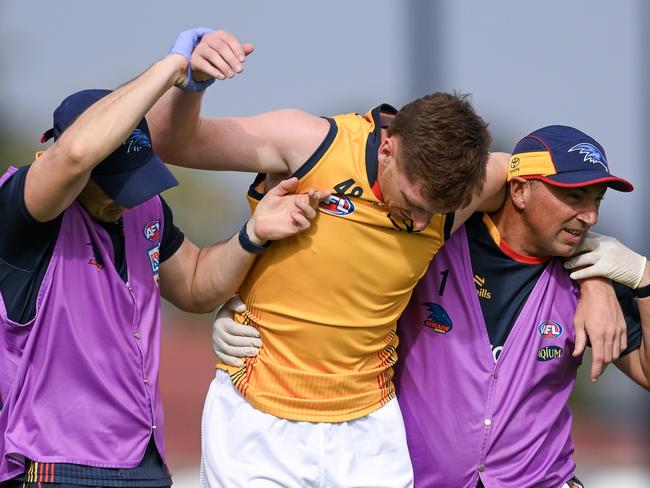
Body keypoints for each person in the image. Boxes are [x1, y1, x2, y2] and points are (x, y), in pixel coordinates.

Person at [149, 29, 627, 487]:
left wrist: (598, 280)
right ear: (390, 149)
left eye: (436, 212)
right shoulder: (311, 143)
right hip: (259, 415)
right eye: (415, 203)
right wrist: (193, 83)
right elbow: (174, 142)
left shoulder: (475, 184)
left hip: (369, 430)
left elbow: (554, 212)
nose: (422, 225)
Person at [0, 45, 328, 487]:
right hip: (55, 464)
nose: (125, 198)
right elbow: (76, 153)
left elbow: (194, 284)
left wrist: (252, 234)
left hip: (145, 464)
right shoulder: (25, 211)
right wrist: (172, 69)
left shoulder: (143, 209)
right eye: (111, 184)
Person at [395, 125, 649, 487]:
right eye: (575, 197)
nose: (590, 216)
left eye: (597, 200)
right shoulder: (439, 240)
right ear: (518, 190)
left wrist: (643, 277)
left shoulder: (593, 273)